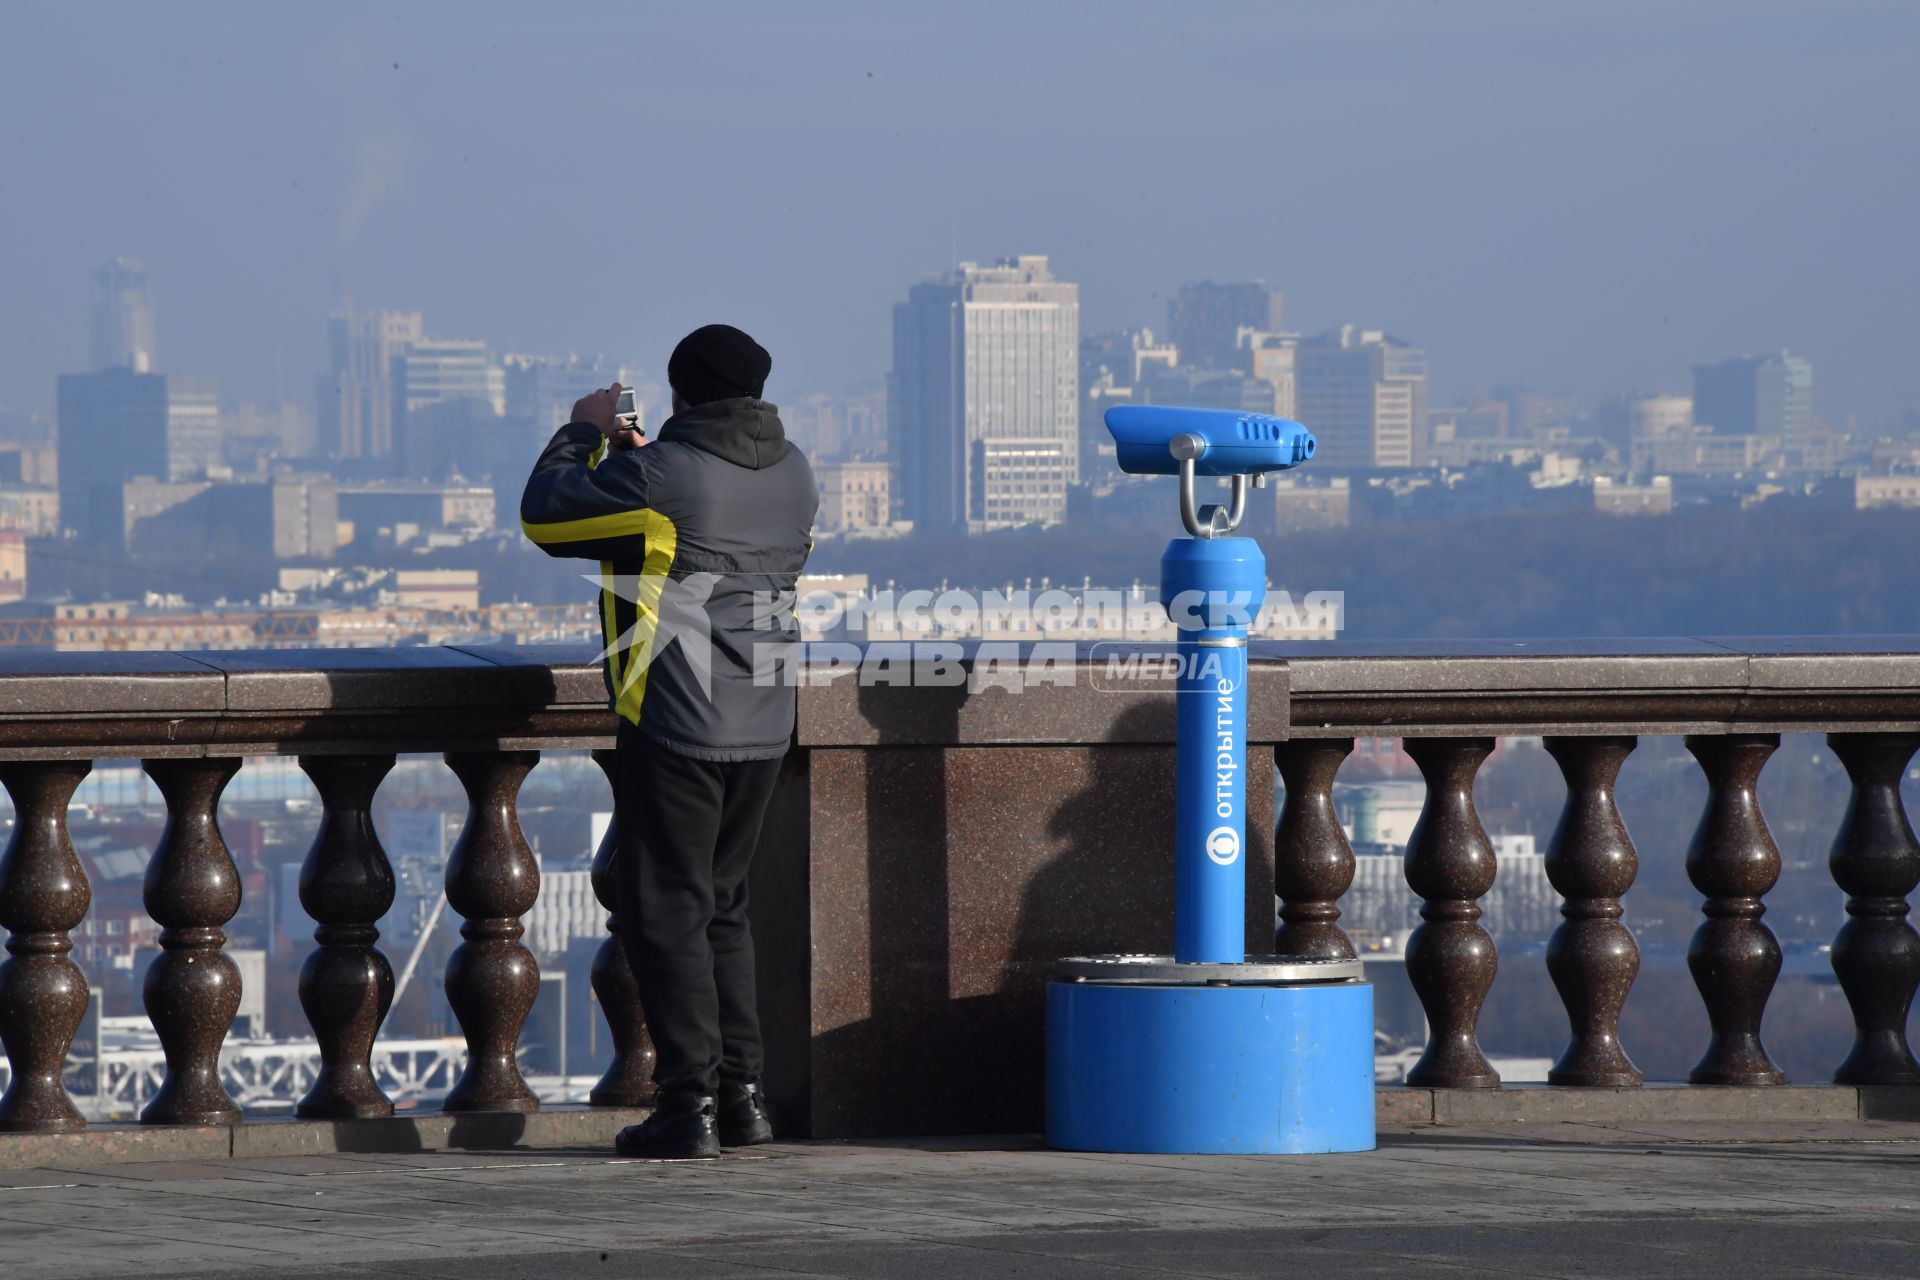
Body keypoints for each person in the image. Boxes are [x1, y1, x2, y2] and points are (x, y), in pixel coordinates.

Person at [521, 324, 816, 1158]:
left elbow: (547, 518)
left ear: (681, 391)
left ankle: (687, 1107)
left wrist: (583, 433)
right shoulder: (794, 472)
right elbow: (706, 533)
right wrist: (645, 464)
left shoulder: (667, 476)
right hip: (764, 720)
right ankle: (744, 1100)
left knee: (664, 912)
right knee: (724, 907)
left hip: (680, 716)